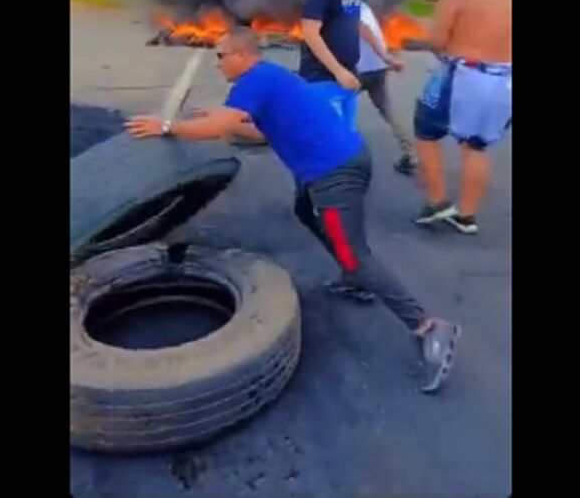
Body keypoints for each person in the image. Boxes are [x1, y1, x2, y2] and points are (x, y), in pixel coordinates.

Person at [125, 27, 462, 393]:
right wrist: (220, 123)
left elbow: (223, 124)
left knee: (355, 253)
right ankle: (356, 280)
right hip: (337, 162)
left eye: (221, 56)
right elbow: (261, 133)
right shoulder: (269, 76)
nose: (217, 63)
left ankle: (429, 326)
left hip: (334, 172)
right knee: (305, 210)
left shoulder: (252, 81)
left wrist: (170, 126)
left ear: (241, 55)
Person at [412, 0, 512, 234]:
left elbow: (437, 40)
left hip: (465, 75)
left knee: (426, 128)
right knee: (477, 145)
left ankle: (437, 202)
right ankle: (467, 216)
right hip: (505, 80)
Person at [298, 0, 368, 129]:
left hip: (347, 80)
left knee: (345, 147)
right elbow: (310, 33)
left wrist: (383, 54)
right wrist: (338, 71)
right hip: (322, 81)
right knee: (327, 147)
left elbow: (354, 25)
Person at [356, 0, 418, 175]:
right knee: (388, 112)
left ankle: (344, 162)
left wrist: (387, 57)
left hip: (359, 70)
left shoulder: (346, 6)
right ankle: (411, 153)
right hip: (377, 69)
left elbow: (363, 29)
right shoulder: (363, 6)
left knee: (339, 110)